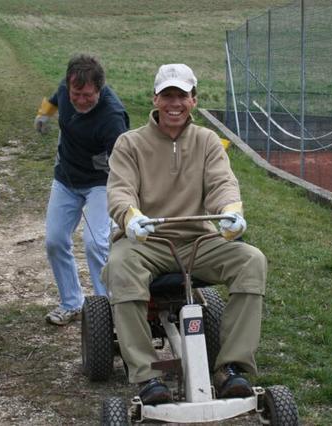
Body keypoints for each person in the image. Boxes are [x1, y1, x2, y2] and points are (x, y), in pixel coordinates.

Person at [102, 63, 267, 405]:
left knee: (251, 260)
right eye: (167, 95)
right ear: (155, 98)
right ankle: (147, 376)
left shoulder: (207, 141)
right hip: (148, 241)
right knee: (120, 267)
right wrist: (130, 217)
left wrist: (232, 211)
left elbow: (223, 182)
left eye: (182, 95)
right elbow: (120, 190)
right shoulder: (129, 144)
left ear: (193, 100)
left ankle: (230, 368)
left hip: (198, 241)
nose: (174, 103)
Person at [34, 54, 129, 326]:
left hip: (102, 181)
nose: (81, 100)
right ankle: (71, 302)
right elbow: (54, 99)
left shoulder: (113, 117)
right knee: (54, 240)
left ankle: (109, 309)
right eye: (77, 93)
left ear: (99, 89)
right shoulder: (67, 90)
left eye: (88, 95)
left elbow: (124, 165)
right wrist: (44, 114)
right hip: (66, 177)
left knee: (96, 243)